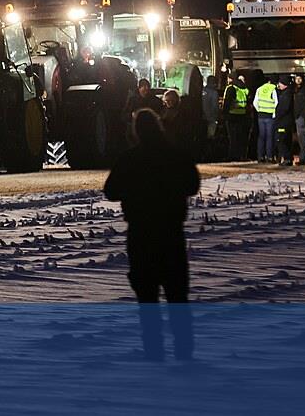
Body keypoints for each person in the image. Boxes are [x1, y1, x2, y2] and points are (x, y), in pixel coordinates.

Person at [104, 109, 199, 361]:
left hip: (141, 234)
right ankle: (184, 351)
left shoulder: (130, 158)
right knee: (177, 297)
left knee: (147, 300)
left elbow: (111, 191)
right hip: (171, 233)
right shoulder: (175, 155)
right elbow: (192, 184)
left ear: (136, 131)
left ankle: (154, 352)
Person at [222, 73, 251, 161]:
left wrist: (224, 114)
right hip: (243, 116)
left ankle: (232, 155)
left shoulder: (231, 88)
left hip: (232, 116)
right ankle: (241, 155)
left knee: (232, 137)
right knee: (241, 137)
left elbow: (227, 102)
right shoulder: (245, 89)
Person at [253, 76, 278, 162]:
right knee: (270, 136)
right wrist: (274, 114)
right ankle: (270, 156)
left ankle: (260, 156)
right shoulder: (273, 89)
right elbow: (276, 103)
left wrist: (259, 110)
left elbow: (255, 102)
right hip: (270, 116)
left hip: (261, 116)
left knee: (261, 136)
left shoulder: (259, 89)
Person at [292, 75, 305, 165]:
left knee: (302, 137)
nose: (298, 80)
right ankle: (303, 157)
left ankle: (304, 158)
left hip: (302, 117)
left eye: (299, 78)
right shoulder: (296, 90)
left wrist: (304, 116)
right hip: (298, 116)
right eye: (296, 79)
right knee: (301, 138)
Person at [274, 76, 295, 166]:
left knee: (281, 140)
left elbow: (284, 108)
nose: (279, 84)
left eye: (280, 83)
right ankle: (288, 158)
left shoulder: (287, 95)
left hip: (283, 121)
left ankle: (287, 158)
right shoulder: (287, 93)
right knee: (286, 140)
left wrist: (278, 114)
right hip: (286, 121)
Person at [202, 75, 219, 141]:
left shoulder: (202, 91)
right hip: (211, 118)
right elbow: (215, 106)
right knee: (210, 137)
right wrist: (217, 116)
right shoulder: (214, 93)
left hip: (202, 117)